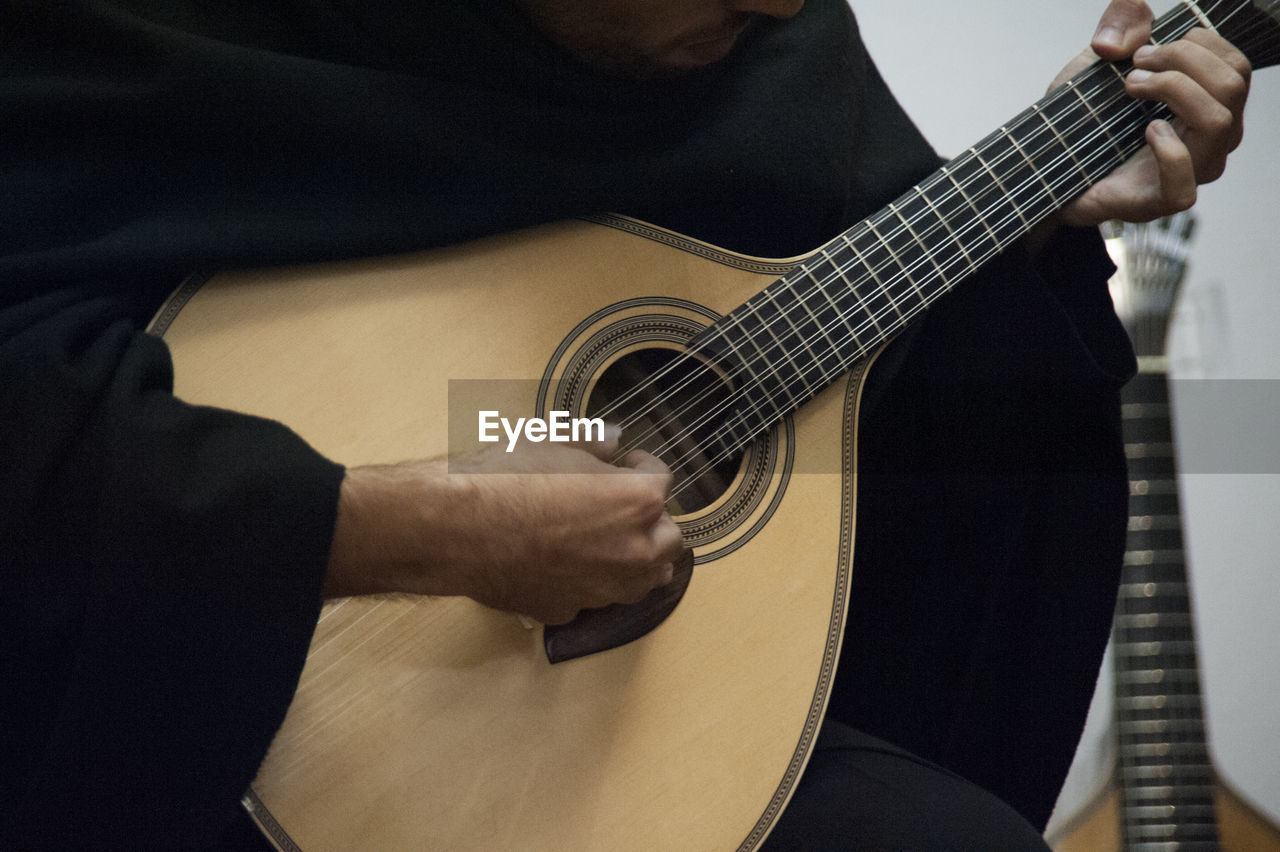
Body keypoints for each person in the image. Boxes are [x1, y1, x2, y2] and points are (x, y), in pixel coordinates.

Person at [0, 0, 1251, 848]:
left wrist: (1027, 224)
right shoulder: (140, 40)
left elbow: (515, 425)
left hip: (594, 726)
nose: (774, 9)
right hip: (162, 715)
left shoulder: (755, 45)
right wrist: (392, 528)